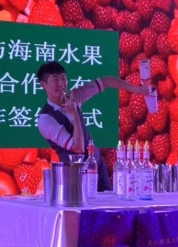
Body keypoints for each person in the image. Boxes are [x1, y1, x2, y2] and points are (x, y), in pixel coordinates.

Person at [37, 61, 151, 192]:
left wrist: (137, 90)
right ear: (43, 85)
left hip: (96, 165)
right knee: (84, 205)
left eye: (63, 78)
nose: (61, 84)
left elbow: (106, 81)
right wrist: (75, 114)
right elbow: (78, 148)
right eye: (55, 80)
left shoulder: (74, 97)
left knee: (108, 201)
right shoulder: (45, 119)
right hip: (75, 174)